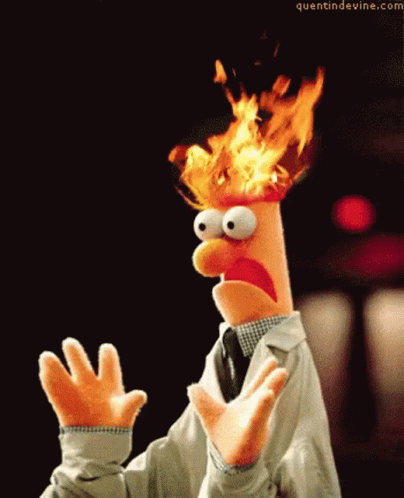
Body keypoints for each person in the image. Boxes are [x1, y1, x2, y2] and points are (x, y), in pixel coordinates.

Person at [39, 62, 341, 497]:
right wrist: (90, 462)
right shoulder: (233, 375)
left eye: (231, 227)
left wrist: (88, 467)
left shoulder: (261, 374)